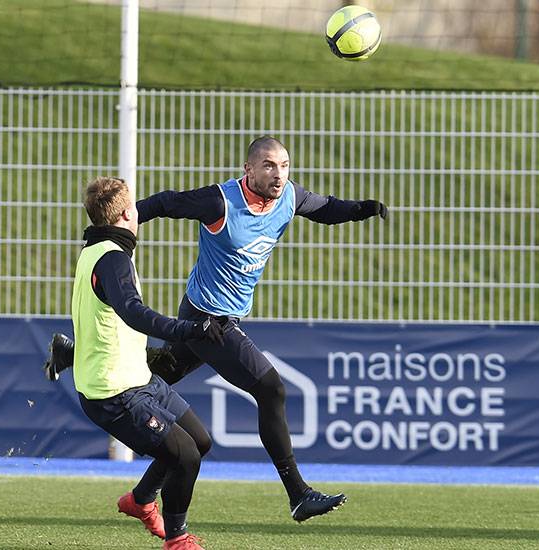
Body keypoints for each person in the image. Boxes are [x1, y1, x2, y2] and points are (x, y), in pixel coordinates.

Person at [45, 137, 388, 522]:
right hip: (208, 318)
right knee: (270, 388)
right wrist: (115, 221)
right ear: (249, 170)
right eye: (270, 166)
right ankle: (298, 494)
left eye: (285, 165)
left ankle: (140, 496)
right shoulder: (220, 201)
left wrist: (361, 209)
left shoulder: (289, 197)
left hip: (220, 319)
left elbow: (323, 207)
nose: (279, 174)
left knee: (153, 374)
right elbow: (168, 202)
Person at [69, 176, 225, 550]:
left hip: (137, 376)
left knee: (199, 441)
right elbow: (133, 313)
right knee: (184, 455)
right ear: (126, 214)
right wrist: (187, 329)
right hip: (115, 391)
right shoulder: (112, 259)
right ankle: (177, 539)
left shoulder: (98, 249)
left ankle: (140, 501)